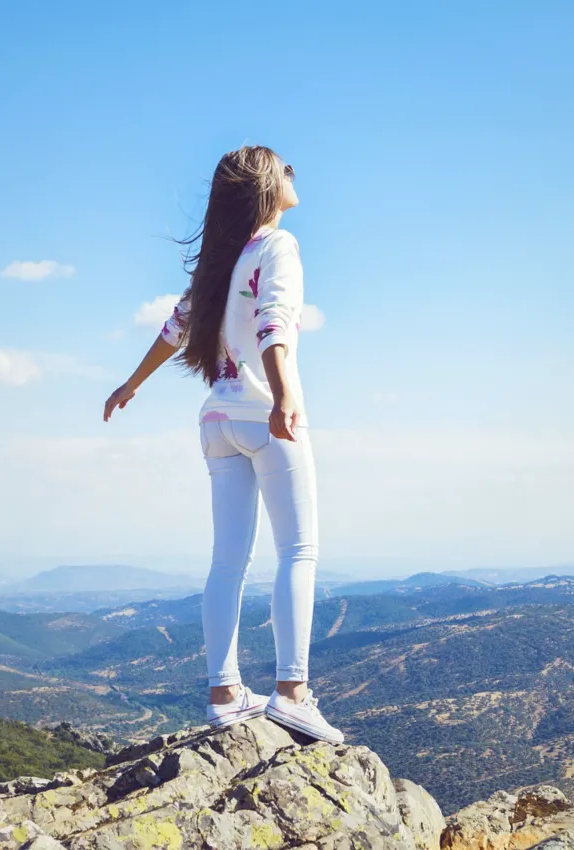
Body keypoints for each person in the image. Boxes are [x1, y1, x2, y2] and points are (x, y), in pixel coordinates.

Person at [103, 145, 341, 744]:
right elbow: (275, 324)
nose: (293, 174)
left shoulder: (218, 265)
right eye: (285, 168)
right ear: (266, 186)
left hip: (216, 423)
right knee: (299, 551)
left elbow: (173, 329)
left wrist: (131, 384)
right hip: (266, 415)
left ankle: (225, 692)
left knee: (227, 561)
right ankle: (292, 692)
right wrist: (286, 394)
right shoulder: (277, 248)